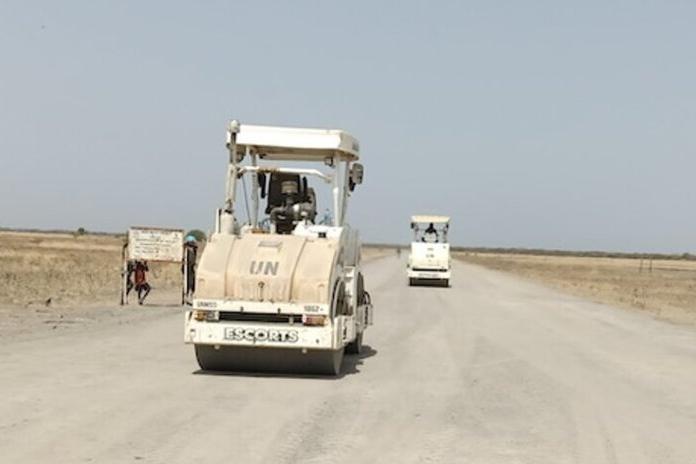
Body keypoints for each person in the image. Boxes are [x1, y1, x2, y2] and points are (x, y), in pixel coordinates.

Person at [183, 236, 198, 301]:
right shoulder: (186, 250)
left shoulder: (193, 250)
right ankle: (187, 294)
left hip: (191, 268)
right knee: (187, 281)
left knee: (192, 281)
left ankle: (190, 293)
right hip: (187, 268)